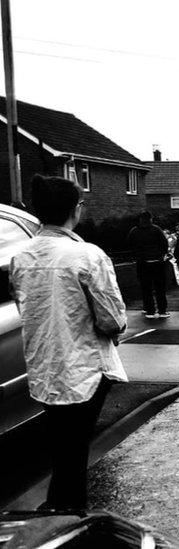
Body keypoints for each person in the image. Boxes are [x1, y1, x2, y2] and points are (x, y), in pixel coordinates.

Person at [10, 175, 128, 509]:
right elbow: (112, 319)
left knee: (64, 449)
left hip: (44, 367)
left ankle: (57, 510)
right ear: (75, 210)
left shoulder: (22, 258)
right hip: (84, 370)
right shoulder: (87, 255)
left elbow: (26, 309)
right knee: (74, 452)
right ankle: (67, 517)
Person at [127, 211, 170, 319]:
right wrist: (161, 254)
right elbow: (164, 244)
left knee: (146, 287)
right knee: (160, 287)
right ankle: (162, 310)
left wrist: (137, 255)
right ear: (150, 219)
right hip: (157, 262)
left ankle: (149, 310)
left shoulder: (134, 231)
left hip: (143, 263)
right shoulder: (156, 230)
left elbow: (129, 244)